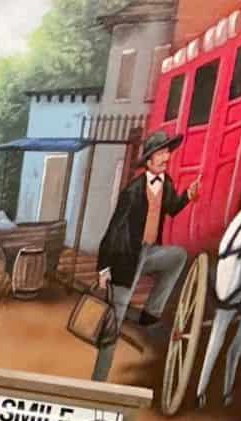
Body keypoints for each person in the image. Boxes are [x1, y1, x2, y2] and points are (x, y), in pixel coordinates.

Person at [94, 130, 200, 382]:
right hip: (127, 256)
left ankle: (150, 312)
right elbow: (113, 230)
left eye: (167, 153)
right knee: (113, 321)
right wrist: (103, 268)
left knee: (177, 256)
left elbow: (172, 208)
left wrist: (188, 196)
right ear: (150, 160)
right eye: (161, 153)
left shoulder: (167, 183)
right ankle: (98, 380)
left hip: (150, 252)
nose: (166, 158)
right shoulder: (132, 191)